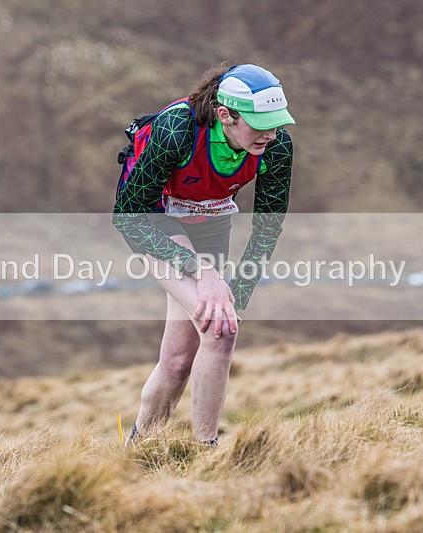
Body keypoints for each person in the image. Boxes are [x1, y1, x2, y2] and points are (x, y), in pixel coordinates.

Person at [113, 63, 294, 445]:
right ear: (226, 115)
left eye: (277, 123)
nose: (272, 134)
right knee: (221, 330)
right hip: (156, 222)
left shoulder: (275, 146)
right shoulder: (176, 132)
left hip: (210, 224)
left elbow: (268, 226)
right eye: (261, 124)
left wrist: (237, 294)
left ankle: (135, 452)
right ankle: (205, 454)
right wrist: (204, 273)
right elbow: (127, 216)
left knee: (179, 362)